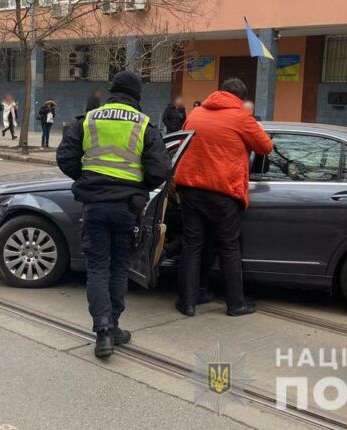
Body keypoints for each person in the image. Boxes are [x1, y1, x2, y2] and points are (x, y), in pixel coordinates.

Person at [56, 71, 170, 358]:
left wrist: (88, 179)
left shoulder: (90, 119)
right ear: (137, 96)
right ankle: (114, 325)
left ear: (112, 91)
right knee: (119, 267)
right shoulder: (144, 125)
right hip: (126, 208)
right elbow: (159, 170)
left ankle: (102, 331)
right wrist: (139, 189)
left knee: (97, 267)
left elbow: (65, 157)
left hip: (94, 205)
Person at [173, 78, 273, 317]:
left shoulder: (196, 113)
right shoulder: (240, 117)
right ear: (239, 98)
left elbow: (180, 143)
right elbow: (266, 147)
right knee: (228, 247)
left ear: (219, 93)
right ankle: (235, 304)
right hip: (222, 191)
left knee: (192, 245)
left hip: (190, 188)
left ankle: (188, 301)